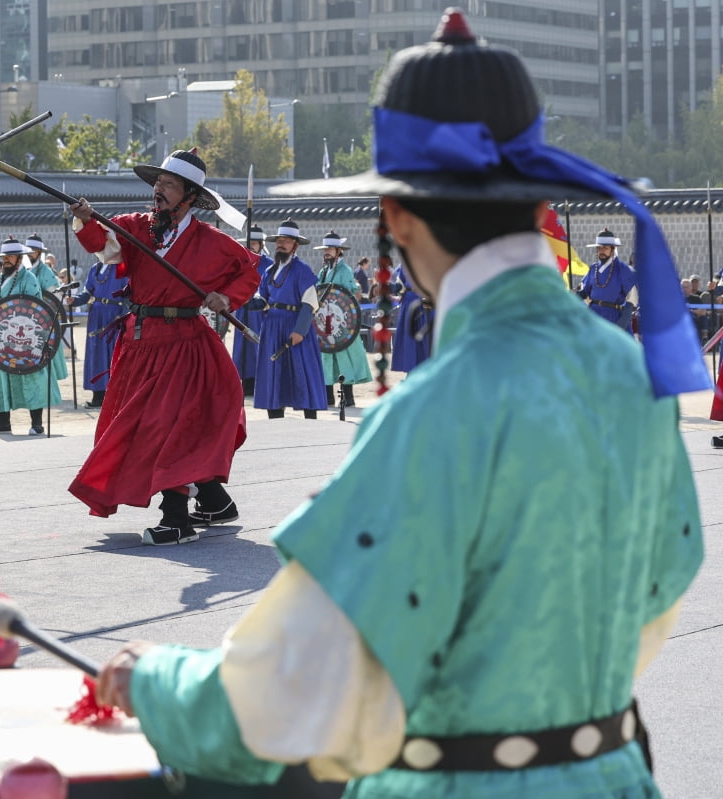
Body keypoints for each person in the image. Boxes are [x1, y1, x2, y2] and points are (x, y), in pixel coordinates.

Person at [92, 10, 707, 798]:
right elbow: (666, 576)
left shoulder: (434, 409)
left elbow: (284, 700)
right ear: (534, 204)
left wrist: (156, 681)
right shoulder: (629, 370)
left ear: (396, 215)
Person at [68, 149, 260, 545]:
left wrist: (226, 297)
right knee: (141, 426)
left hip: (185, 344)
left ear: (188, 196)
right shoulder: (136, 227)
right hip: (141, 344)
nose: (158, 189)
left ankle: (176, 518)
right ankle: (213, 498)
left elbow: (249, 272)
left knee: (170, 426)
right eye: (157, 182)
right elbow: (104, 247)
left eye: (168, 184)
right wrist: (85, 219)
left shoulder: (211, 241)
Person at [0, 237, 61, 435]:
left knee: (30, 375)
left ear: (19, 258)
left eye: (11, 256)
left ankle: (36, 422)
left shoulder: (29, 279)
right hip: (0, 335)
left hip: (24, 336)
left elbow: (34, 308)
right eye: (4, 257)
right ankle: (1, 420)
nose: (6, 260)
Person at [253, 219, 328, 419]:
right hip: (272, 327)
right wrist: (253, 303)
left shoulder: (301, 270)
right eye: (279, 240)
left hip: (295, 325)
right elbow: (264, 297)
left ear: (295, 245)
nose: (281, 244)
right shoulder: (269, 271)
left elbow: (310, 302)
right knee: (274, 373)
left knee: (302, 371)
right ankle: (275, 417)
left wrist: (300, 331)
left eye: (286, 241)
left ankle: (310, 419)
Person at [314, 231, 372, 408]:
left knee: (345, 357)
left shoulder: (345, 270)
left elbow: (349, 296)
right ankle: (328, 397)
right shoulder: (323, 271)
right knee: (326, 359)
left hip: (342, 322)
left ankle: (348, 397)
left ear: (339, 251)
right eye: (325, 249)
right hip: (324, 321)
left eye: (330, 249)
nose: (327, 252)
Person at [67, 258, 129, 408]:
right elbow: (87, 293)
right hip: (96, 315)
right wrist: (74, 300)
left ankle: (114, 396)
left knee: (112, 353)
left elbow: (128, 294)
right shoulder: (95, 268)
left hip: (113, 315)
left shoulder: (121, 267)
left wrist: (122, 314)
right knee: (96, 354)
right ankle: (98, 395)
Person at [25, 233, 70, 382]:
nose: (30, 253)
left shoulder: (46, 272)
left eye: (33, 250)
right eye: (28, 250)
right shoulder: (26, 271)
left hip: (44, 318)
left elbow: (54, 297)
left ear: (39, 252)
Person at [232, 226, 271, 397]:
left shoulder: (269, 264)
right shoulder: (241, 262)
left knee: (258, 345)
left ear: (261, 245)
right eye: (249, 243)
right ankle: (245, 382)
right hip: (242, 309)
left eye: (254, 243)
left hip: (260, 311)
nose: (251, 246)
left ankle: (259, 383)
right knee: (243, 346)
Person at [577, 228, 637, 331]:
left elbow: (631, 301)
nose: (601, 251)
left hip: (613, 317)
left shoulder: (623, 269)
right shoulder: (593, 269)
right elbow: (583, 292)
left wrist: (621, 326)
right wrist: (571, 297)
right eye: (599, 248)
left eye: (605, 248)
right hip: (594, 317)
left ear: (612, 249)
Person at [390, 263, 434, 374]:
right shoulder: (405, 264)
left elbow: (398, 287)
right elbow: (398, 286)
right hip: (413, 300)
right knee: (411, 338)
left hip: (423, 300)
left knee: (427, 338)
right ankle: (412, 370)